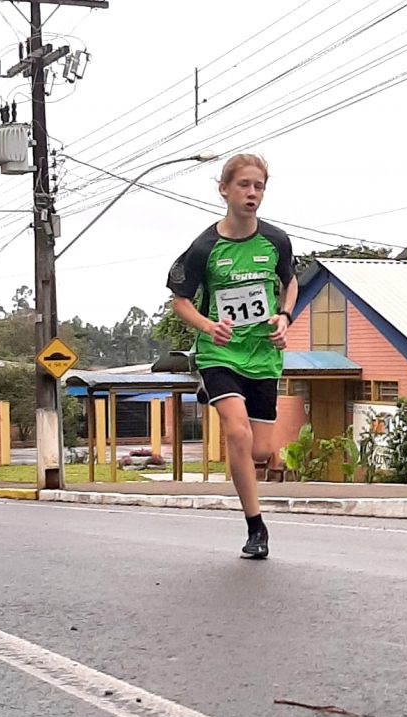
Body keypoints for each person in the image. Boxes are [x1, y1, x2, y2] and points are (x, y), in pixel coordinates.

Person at [166, 153, 297, 559]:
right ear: (224, 190)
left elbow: (290, 282)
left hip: (262, 355)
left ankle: (219, 399)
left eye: (259, 186)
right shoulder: (204, 248)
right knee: (237, 434)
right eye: (244, 185)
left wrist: (284, 317)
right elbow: (180, 301)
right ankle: (256, 527)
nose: (252, 193)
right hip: (219, 353)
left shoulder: (276, 241)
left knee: (260, 450)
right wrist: (209, 327)